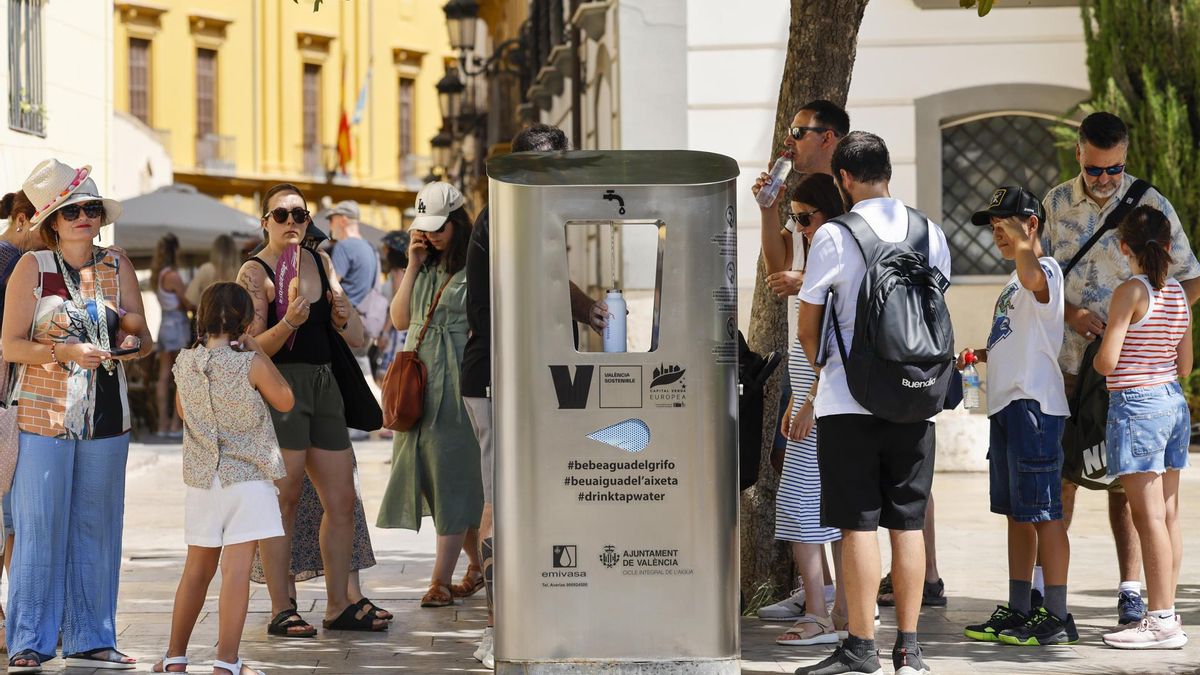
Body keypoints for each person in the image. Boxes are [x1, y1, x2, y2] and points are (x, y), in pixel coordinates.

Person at [795, 132, 949, 675]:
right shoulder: (929, 231)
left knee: (858, 524)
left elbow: (807, 324)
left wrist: (827, 371)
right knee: (907, 523)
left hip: (848, 402)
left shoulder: (835, 236)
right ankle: (910, 648)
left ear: (843, 179)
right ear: (888, 172)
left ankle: (861, 646)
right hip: (915, 398)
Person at [459, 122, 610, 667]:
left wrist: (584, 307)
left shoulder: (531, 216)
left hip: (530, 377)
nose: (563, 180)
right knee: (503, 502)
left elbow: (548, 279)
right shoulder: (504, 217)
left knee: (530, 499)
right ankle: (502, 627)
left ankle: (529, 616)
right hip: (499, 379)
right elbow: (513, 296)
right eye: (556, 170)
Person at [1041, 112, 1200, 626]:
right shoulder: (1056, 203)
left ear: (1125, 157)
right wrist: (1071, 314)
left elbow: (1190, 281)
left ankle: (1133, 590)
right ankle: (1051, 593)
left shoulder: (1152, 205)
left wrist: (1133, 328)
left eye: (1115, 169)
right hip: (1065, 366)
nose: (1105, 180)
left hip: (1129, 378)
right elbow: (1037, 280)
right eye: (1095, 171)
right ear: (1079, 157)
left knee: (1128, 491)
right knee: (1061, 478)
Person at [1, 159, 153, 672]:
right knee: (39, 527)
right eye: (72, 211)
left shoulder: (118, 264)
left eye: (91, 208)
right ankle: (30, 640)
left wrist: (130, 343)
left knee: (98, 528)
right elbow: (10, 345)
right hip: (43, 417)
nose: (84, 217)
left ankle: (92, 637)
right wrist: (61, 354)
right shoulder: (33, 268)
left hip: (108, 417)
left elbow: (144, 338)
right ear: (52, 222)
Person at [235, 183, 385, 637]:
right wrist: (288, 323)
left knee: (341, 500)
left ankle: (339, 603)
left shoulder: (321, 261)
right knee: (285, 498)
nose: (291, 223)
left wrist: (341, 314)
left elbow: (357, 337)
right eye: (280, 215)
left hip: (324, 387)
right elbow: (249, 348)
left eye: (299, 215)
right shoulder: (255, 272)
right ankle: (284, 607)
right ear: (265, 221)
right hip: (280, 388)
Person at [151, 282, 294, 675]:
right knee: (235, 571)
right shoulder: (251, 363)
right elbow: (285, 399)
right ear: (246, 322)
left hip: (202, 479)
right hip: (247, 476)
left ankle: (174, 657)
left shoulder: (184, 363)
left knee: (196, 569)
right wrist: (259, 350)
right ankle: (226, 662)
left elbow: (182, 411)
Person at [958, 187, 1076, 647]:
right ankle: (1019, 606)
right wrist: (982, 355)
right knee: (1016, 514)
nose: (997, 236)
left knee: (1045, 512)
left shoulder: (1042, 269)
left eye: (1004, 225)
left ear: (1031, 224)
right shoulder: (1014, 281)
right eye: (993, 228)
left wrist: (1024, 239)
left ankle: (1059, 614)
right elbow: (1021, 333)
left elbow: (1033, 277)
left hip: (1035, 408)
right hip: (1008, 405)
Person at [753, 100, 848, 624]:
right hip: (805, 357)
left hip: (824, 361)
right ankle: (824, 594)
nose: (790, 140)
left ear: (828, 137)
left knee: (823, 485)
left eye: (800, 131)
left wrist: (807, 283)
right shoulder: (806, 197)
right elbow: (776, 263)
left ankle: (826, 604)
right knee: (793, 469)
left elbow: (844, 287)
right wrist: (771, 212)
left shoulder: (846, 200)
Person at [377, 181, 484, 609]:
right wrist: (413, 264)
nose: (431, 235)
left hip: (457, 378)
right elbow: (401, 318)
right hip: (419, 380)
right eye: (425, 228)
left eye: (439, 228)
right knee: (437, 474)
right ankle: (478, 566)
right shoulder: (425, 266)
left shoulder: (478, 267)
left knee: (452, 476)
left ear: (458, 223)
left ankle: (439, 580)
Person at [1094, 206, 1191, 649]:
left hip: (1137, 406)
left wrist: (1099, 351)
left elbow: (1107, 361)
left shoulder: (1129, 292)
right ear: (1169, 247)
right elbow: (1185, 364)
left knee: (1146, 516)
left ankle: (1160, 620)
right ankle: (1167, 612)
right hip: (1173, 402)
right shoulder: (1178, 295)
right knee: (1167, 515)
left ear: (1123, 247)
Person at [0, 187, 52, 650]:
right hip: (4, 404)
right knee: (9, 521)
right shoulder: (10, 262)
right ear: (22, 219)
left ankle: (18, 621)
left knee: (13, 521)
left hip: (12, 402)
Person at [328, 199, 383, 435]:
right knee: (364, 373)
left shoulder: (344, 247)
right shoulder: (370, 248)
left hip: (346, 322)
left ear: (342, 220)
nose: (330, 226)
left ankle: (366, 423)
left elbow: (332, 285)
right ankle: (387, 415)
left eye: (331, 220)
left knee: (349, 376)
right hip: (367, 320)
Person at [152, 233, 192, 439]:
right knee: (181, 376)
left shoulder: (158, 274)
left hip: (165, 324)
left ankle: (162, 423)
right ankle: (176, 424)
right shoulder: (173, 276)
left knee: (163, 377)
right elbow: (188, 302)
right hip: (178, 324)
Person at [374, 229, 410, 385]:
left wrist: (385, 332)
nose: (384, 250)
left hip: (396, 331)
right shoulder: (407, 271)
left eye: (386, 247)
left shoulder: (397, 273)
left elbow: (395, 306)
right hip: (403, 329)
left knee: (386, 376)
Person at [184, 233, 240, 308]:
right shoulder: (239, 271)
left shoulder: (206, 269)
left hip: (208, 316)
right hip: (234, 318)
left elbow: (190, 299)